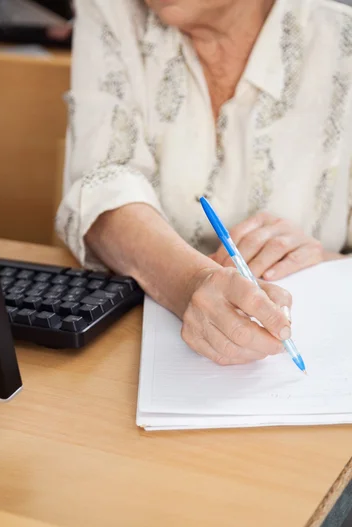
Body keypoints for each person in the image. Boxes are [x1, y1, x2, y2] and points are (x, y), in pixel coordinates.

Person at [56, 0, 352, 366]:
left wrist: (325, 261)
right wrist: (191, 281)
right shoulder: (110, 10)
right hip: (133, 361)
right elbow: (102, 182)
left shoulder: (341, 38)